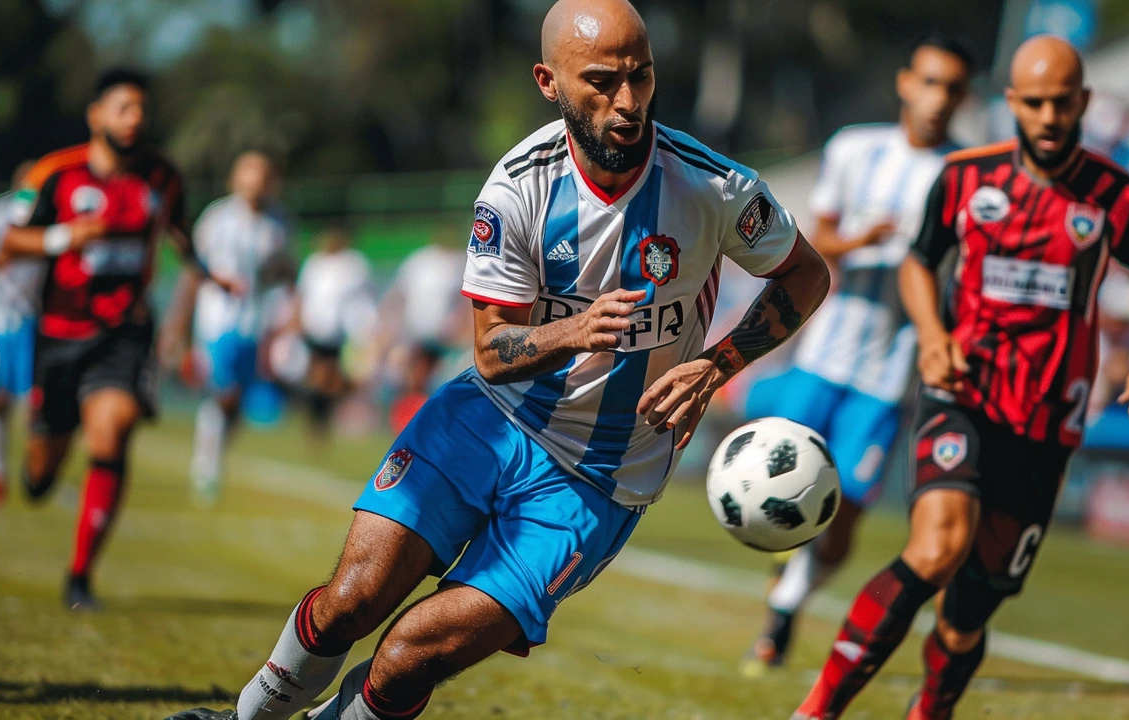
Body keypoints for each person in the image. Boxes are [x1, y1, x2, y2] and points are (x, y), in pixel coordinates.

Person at [170, 1, 829, 718]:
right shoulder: (519, 186)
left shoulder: (715, 187)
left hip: (602, 478)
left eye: (641, 77)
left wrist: (717, 363)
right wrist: (575, 332)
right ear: (549, 82)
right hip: (488, 421)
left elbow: (806, 274)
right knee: (352, 600)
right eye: (603, 81)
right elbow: (491, 353)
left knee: (407, 658)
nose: (628, 102)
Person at [791, 36, 1129, 720]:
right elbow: (919, 262)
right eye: (1031, 102)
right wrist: (933, 335)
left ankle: (932, 711)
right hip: (964, 396)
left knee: (969, 611)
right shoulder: (966, 178)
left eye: (1059, 103)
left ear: (1083, 103)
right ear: (1011, 102)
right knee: (936, 547)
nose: (1045, 116)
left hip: (1045, 424)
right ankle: (819, 708)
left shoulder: (1116, 197)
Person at [742, 35, 972, 675]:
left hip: (890, 373)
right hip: (824, 353)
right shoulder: (854, 148)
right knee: (772, 478)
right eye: (928, 82)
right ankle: (780, 617)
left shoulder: (966, 174)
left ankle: (787, 600)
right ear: (905, 82)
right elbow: (813, 244)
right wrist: (861, 239)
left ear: (963, 97)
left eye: (951, 88)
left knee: (842, 519)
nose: (937, 99)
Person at [0, 68, 233, 610]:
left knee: (113, 429)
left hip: (124, 333)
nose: (135, 119)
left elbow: (180, 231)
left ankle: (80, 577)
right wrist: (64, 236)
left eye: (142, 109)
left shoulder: (163, 177)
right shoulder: (56, 173)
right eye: (124, 108)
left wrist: (209, 271)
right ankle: (43, 469)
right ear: (97, 114)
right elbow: (9, 239)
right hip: (56, 335)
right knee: (40, 472)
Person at [164, 151, 288, 504]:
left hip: (255, 322)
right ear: (236, 179)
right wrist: (177, 325)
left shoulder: (278, 224)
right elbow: (192, 270)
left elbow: (283, 269)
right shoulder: (217, 218)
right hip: (217, 320)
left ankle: (211, 456)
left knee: (237, 404)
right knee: (223, 392)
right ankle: (207, 468)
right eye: (249, 173)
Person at [371, 244, 468, 432]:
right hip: (416, 331)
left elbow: (462, 302)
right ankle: (405, 419)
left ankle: (416, 420)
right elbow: (399, 294)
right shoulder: (419, 262)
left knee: (426, 380)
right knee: (413, 378)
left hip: (440, 334)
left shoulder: (456, 265)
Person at [293, 226, 376, 436]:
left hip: (340, 332)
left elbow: (363, 298)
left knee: (334, 379)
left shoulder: (353, 265)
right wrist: (298, 320)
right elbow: (302, 295)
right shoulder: (314, 264)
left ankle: (325, 417)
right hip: (315, 328)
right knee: (319, 376)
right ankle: (317, 419)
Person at [0, 160, 43, 506]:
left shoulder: (50, 214)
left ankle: (33, 466)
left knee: (28, 400)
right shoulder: (3, 212)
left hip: (31, 318)